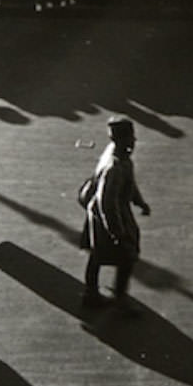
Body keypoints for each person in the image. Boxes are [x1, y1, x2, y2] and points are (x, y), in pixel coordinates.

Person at [79, 115, 151, 312]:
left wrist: (139, 201)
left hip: (99, 213)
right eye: (131, 137)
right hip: (110, 216)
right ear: (123, 139)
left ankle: (90, 293)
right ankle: (119, 300)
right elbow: (107, 202)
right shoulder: (115, 167)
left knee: (97, 256)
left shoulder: (116, 155)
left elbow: (130, 183)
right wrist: (117, 232)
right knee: (126, 256)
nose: (134, 141)